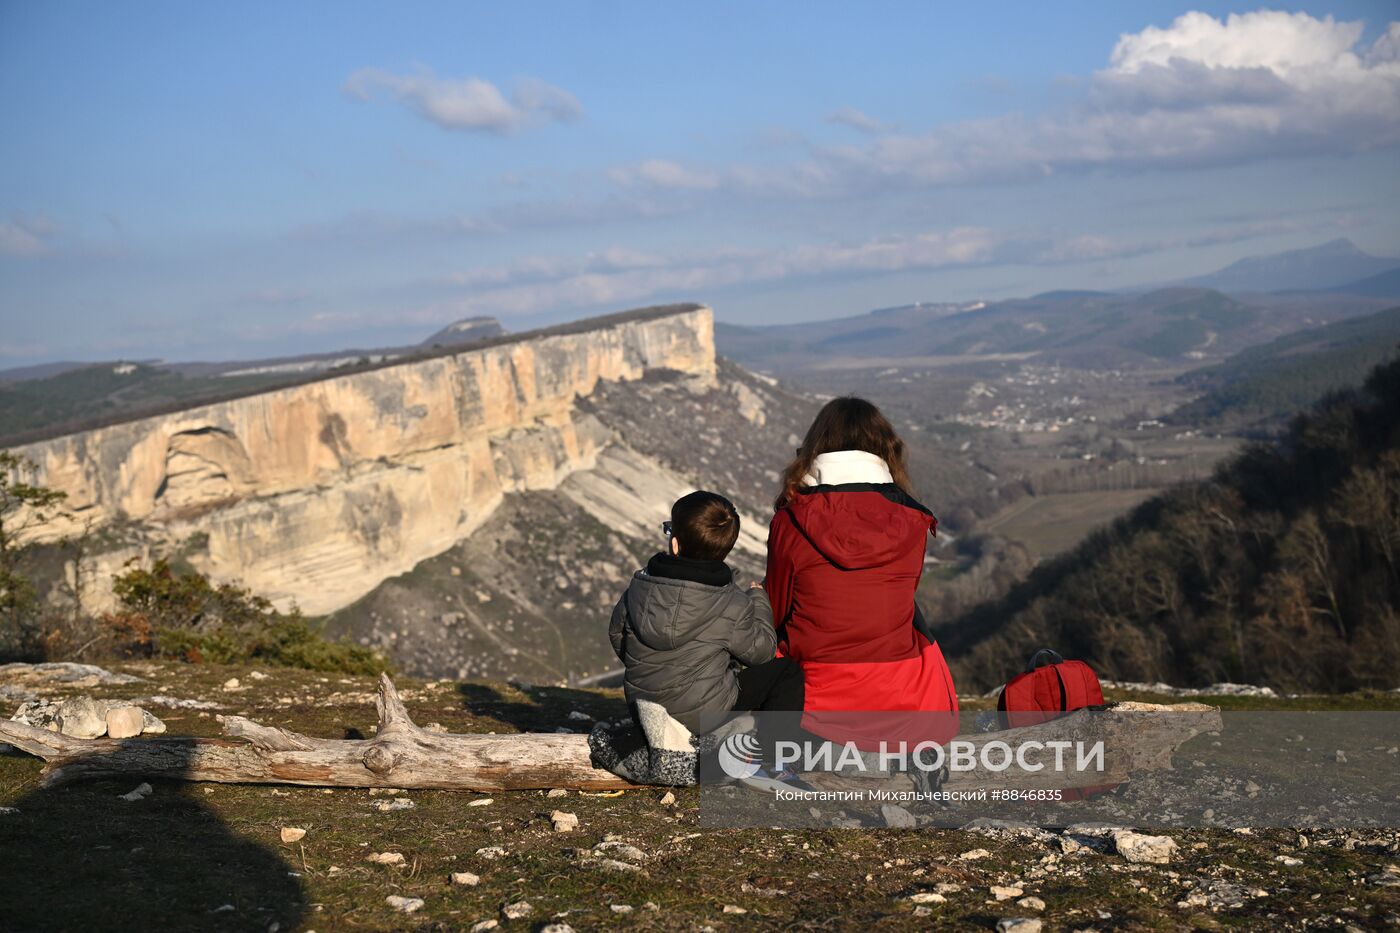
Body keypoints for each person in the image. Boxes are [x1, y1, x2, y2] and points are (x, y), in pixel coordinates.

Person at [764, 397, 958, 749]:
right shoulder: (913, 520)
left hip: (814, 693)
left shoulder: (791, 519)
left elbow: (775, 610)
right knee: (914, 618)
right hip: (897, 694)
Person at [609, 490, 805, 752]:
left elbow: (618, 636)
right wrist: (759, 599)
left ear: (675, 544)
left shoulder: (639, 588)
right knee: (787, 671)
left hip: (643, 711)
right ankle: (775, 758)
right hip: (704, 719)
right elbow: (762, 652)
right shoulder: (732, 603)